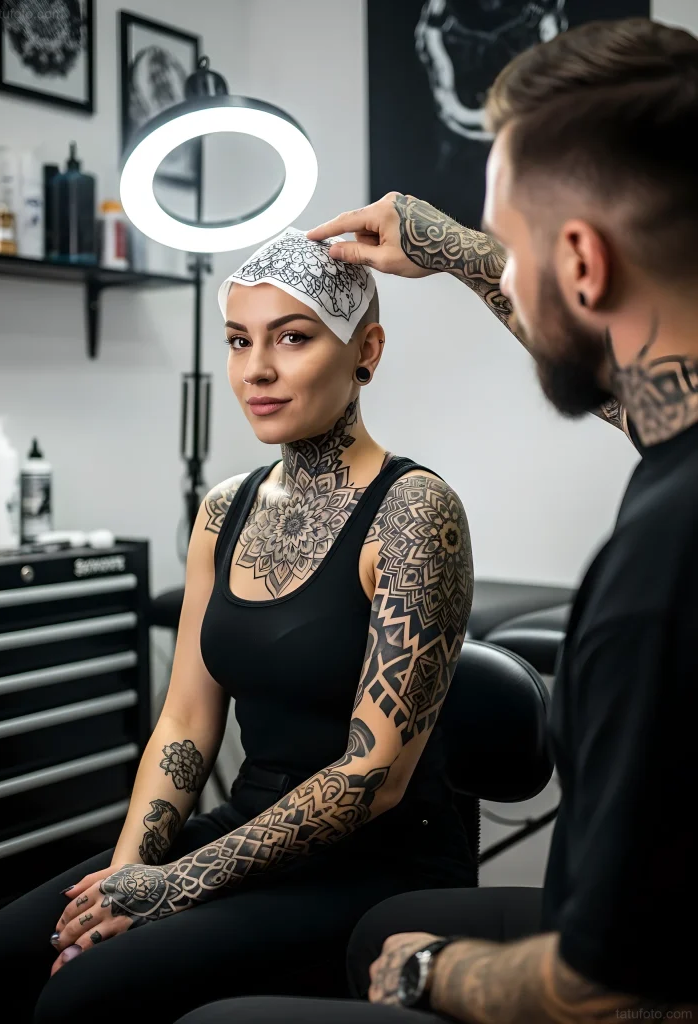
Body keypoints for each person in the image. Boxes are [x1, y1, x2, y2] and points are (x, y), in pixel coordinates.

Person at [173, 15, 698, 1024]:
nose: (259, 367)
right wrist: (460, 245)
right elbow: (643, 394)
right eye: (240, 341)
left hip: (623, 986)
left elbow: (619, 994)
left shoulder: (655, 579)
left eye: (515, 249)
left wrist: (431, 972)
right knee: (384, 924)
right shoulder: (679, 440)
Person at [0, 229, 475, 1023]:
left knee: (82, 996)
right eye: (239, 341)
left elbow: (372, 777)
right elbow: (184, 720)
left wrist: (174, 885)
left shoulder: (414, 512)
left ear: (365, 350)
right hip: (242, 825)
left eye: (293, 337)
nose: (257, 370)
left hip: (376, 861)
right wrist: (129, 873)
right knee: (3, 954)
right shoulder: (225, 509)